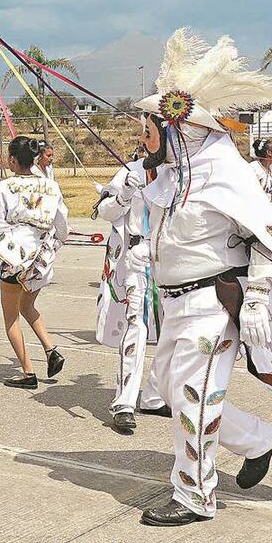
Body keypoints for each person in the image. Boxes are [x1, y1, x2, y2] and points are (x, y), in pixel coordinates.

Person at [134, 28, 272, 527]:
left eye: (150, 126)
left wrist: (255, 300)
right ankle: (261, 439)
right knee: (172, 392)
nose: (143, 134)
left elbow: (268, 237)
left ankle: (194, 496)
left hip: (212, 306)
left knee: (193, 397)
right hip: (174, 305)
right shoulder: (172, 177)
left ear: (179, 130)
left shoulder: (225, 175)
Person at [0, 136, 68, 388]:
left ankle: (27, 372)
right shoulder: (51, 186)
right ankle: (50, 350)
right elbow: (62, 225)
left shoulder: (4, 187)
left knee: (11, 317)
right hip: (42, 258)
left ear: (13, 160)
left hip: (15, 257)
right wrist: (55, 244)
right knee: (28, 307)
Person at [91, 142, 168, 433]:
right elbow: (104, 211)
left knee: (170, 332)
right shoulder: (130, 172)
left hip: (172, 264)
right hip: (136, 263)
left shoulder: (181, 176)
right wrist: (123, 195)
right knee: (135, 326)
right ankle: (124, 402)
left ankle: (154, 395)